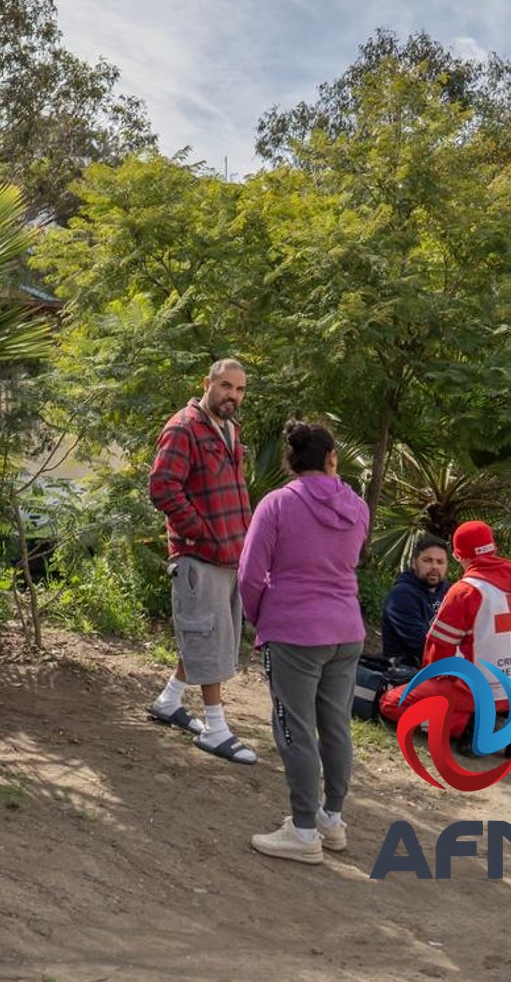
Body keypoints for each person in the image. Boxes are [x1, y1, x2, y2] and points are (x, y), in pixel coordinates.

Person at [239, 421, 371, 863]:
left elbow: (250, 575)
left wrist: (263, 619)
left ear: (290, 462)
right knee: (335, 727)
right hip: (346, 629)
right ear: (332, 456)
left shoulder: (277, 504)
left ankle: (302, 830)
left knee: (294, 729)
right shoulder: (356, 505)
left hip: (295, 630)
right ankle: (331, 819)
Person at [146, 358, 258, 764]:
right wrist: (197, 531)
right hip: (200, 554)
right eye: (226, 386)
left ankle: (168, 701)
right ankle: (215, 729)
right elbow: (162, 487)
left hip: (231, 555)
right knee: (209, 635)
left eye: (240, 389)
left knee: (210, 634)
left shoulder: (230, 430)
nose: (233, 395)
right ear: (207, 383)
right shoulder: (183, 427)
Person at [378, 520, 511, 756]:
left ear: (458, 555)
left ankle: (474, 727)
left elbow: (438, 652)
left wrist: (439, 681)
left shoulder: (466, 591)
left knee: (391, 703)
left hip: (473, 691)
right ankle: (510, 720)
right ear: (493, 547)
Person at [381, 536, 452, 667]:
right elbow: (422, 644)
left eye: (440, 562)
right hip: (407, 672)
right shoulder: (402, 595)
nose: (434, 566)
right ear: (414, 563)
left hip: (440, 667)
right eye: (427, 560)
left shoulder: (449, 591)